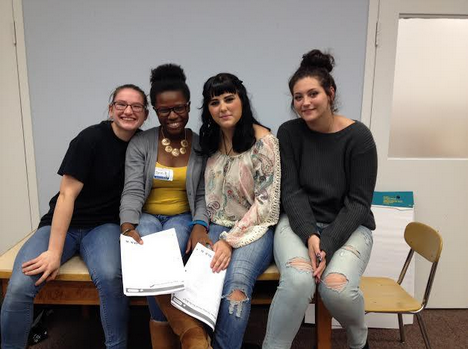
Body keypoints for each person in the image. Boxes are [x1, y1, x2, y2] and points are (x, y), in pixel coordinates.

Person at [1, 84, 149, 349]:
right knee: (20, 286)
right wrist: (54, 252)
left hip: (104, 226)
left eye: (136, 106)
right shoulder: (90, 139)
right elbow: (66, 196)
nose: (128, 111)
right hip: (64, 223)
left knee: (110, 277)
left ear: (146, 114)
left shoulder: (143, 145)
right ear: (111, 108)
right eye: (121, 105)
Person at [262, 49, 378, 349]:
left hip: (349, 225)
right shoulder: (289, 133)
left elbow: (358, 203)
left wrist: (326, 243)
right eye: (298, 97)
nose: (305, 102)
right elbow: (291, 192)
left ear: (330, 93)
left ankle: (358, 339)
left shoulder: (359, 138)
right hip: (299, 222)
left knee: (336, 289)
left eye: (312, 93)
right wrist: (311, 234)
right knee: (299, 281)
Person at [119, 64, 211, 349]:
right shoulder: (141, 143)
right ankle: (188, 333)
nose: (172, 116)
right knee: (148, 250)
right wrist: (127, 225)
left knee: (168, 251)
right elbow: (133, 187)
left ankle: (168, 334)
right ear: (155, 111)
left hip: (182, 216)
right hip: (146, 214)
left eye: (179, 108)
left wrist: (200, 224)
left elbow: (203, 195)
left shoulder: (200, 144)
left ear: (189, 106)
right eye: (164, 110)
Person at [198, 73, 281, 349]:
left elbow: (266, 205)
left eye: (229, 99)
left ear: (242, 100)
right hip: (215, 226)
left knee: (236, 284)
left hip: (254, 230)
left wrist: (229, 241)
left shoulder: (264, 141)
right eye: (214, 102)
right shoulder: (209, 143)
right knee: (199, 276)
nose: (222, 107)